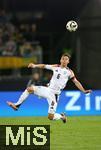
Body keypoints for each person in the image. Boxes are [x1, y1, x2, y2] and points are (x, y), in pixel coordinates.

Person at [7, 53, 91, 123]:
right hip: (47, 90)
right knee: (29, 89)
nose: (64, 60)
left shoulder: (70, 72)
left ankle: (62, 116)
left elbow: (76, 82)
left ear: (68, 61)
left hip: (55, 95)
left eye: (66, 59)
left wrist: (83, 91)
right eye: (63, 59)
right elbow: (44, 66)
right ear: (60, 60)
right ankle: (17, 105)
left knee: (50, 117)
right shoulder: (56, 67)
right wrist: (34, 65)